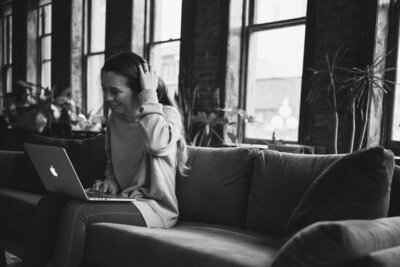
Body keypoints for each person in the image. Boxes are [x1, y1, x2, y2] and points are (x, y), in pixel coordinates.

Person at [43, 51, 189, 267]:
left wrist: (149, 95)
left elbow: (157, 144)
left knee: (78, 212)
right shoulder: (115, 119)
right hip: (124, 198)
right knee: (51, 202)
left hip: (154, 207)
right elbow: (112, 161)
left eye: (115, 91)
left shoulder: (166, 114)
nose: (108, 98)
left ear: (137, 90)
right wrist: (110, 180)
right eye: (104, 90)